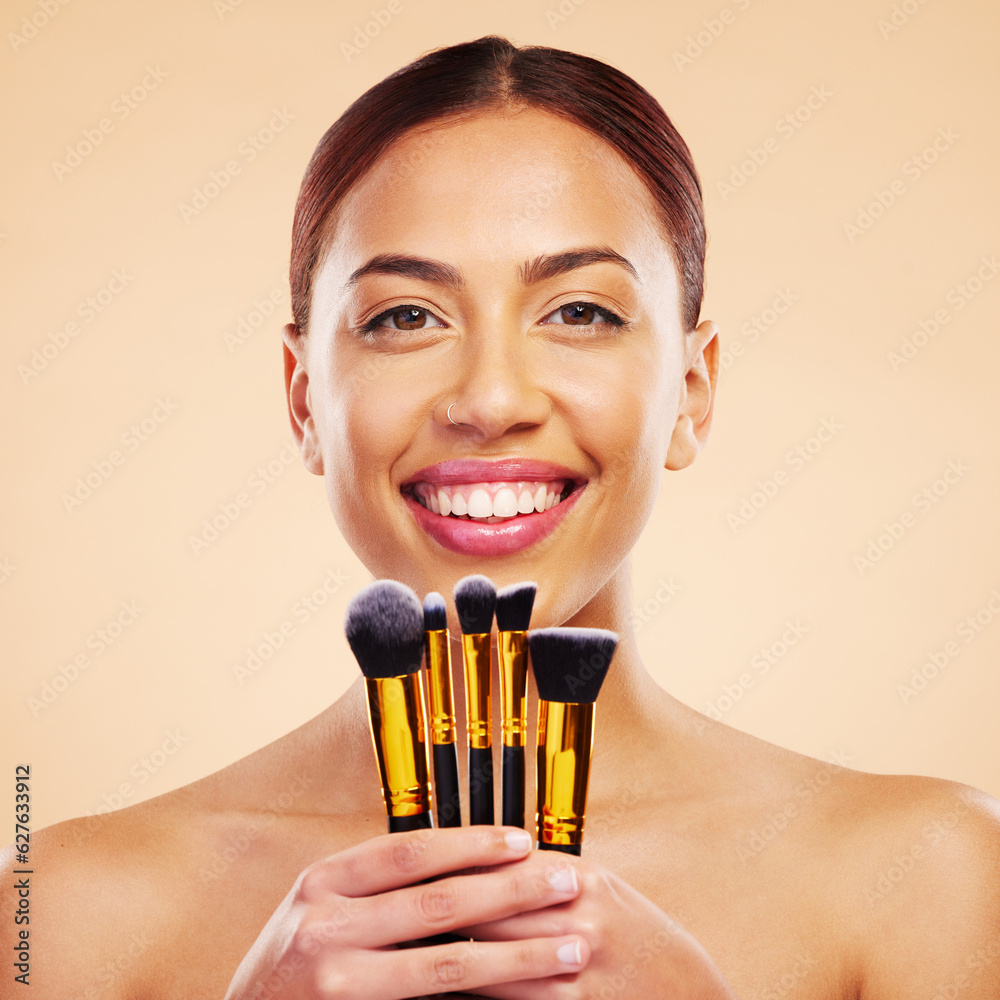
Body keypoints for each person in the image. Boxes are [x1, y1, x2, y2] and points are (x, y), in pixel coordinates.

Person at [5, 34, 999, 1000]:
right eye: (406, 316)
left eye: (578, 312)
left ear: (691, 390)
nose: (488, 398)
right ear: (305, 399)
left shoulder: (932, 879)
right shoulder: (59, 918)